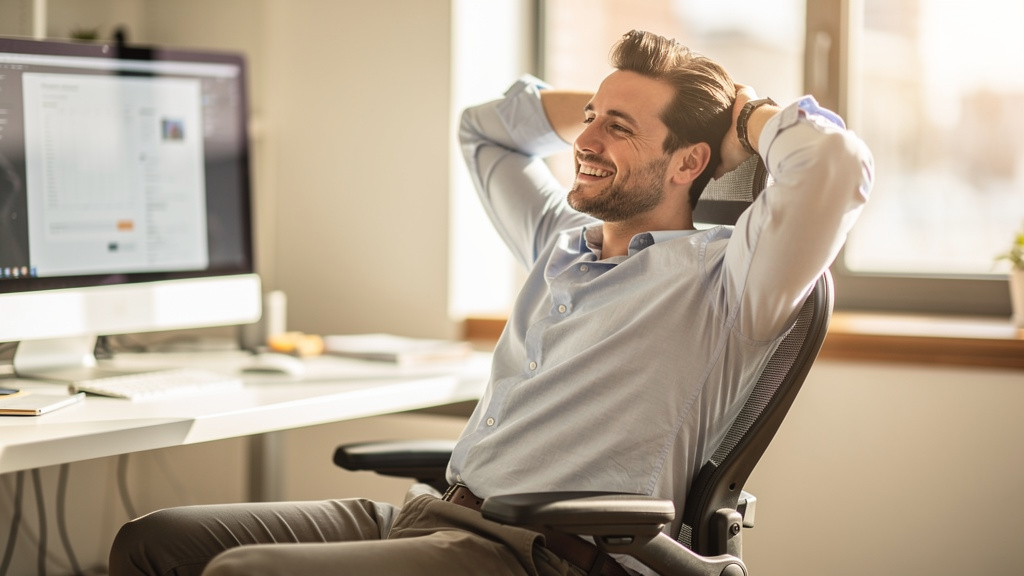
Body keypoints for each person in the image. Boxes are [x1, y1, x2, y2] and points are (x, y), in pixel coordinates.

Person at [108, 29, 872, 576]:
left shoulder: (729, 281)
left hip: (535, 549)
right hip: (431, 511)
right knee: (154, 541)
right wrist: (622, 103)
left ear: (690, 162)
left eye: (620, 128)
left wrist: (738, 116)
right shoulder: (560, 239)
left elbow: (834, 162)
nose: (588, 139)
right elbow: (484, 131)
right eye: (589, 120)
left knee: (249, 572)